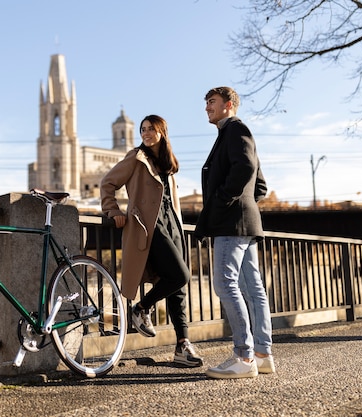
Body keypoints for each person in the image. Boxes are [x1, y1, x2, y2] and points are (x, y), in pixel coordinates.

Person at [100, 114, 203, 367]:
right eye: (143, 129)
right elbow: (107, 183)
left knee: (177, 288)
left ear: (162, 132)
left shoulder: (168, 163)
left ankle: (182, 345)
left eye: (150, 129)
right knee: (181, 275)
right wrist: (113, 212)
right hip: (150, 226)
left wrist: (178, 225)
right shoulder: (135, 158)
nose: (145, 133)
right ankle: (141, 308)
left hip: (173, 225)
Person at [194, 86, 275, 378]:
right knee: (253, 289)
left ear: (229, 104)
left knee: (224, 284)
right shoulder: (232, 133)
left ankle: (244, 357)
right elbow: (260, 185)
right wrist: (242, 204)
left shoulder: (235, 130)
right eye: (206, 103)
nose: (207, 107)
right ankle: (262, 354)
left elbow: (245, 167)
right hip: (244, 222)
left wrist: (223, 200)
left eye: (212, 102)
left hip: (231, 223)